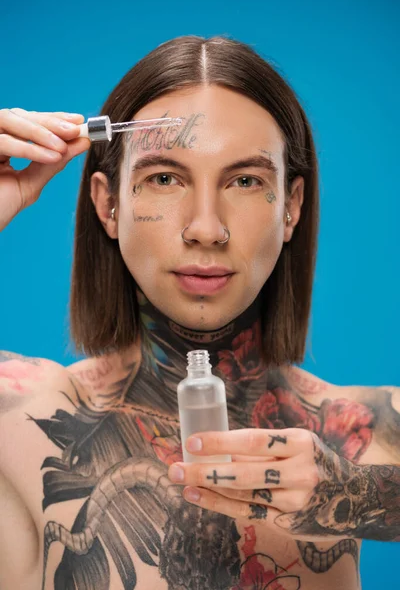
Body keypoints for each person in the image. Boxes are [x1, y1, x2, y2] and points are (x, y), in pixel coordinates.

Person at [0, 35, 399, 590]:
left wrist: (357, 495)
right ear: (106, 203)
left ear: (292, 207)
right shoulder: (18, 423)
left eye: (245, 180)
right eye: (164, 178)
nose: (206, 229)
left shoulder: (367, 430)